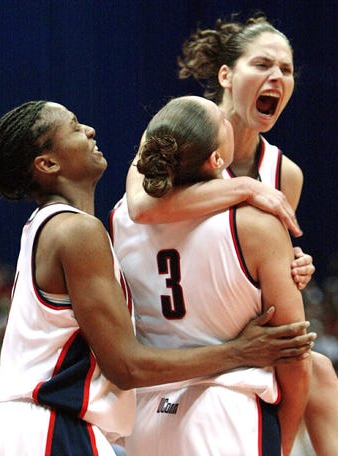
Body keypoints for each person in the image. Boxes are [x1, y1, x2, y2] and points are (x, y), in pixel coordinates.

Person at [0, 100, 316, 456]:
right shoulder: (78, 232)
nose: (89, 130)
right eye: (74, 127)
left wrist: (289, 259)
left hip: (39, 426)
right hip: (47, 426)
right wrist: (239, 351)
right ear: (48, 163)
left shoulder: (80, 225)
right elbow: (126, 366)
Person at [124, 14, 338, 455]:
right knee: (307, 367)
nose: (277, 76)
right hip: (179, 349)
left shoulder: (285, 174)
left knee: (320, 369)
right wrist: (247, 188)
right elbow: (142, 206)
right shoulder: (180, 129)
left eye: (287, 70)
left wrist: (295, 266)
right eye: (262, 64)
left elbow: (265, 276)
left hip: (221, 334)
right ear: (225, 75)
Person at [110, 95, 312, 455]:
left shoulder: (119, 217)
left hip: (144, 421)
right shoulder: (256, 224)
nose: (226, 114)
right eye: (221, 117)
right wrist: (284, 442)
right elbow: (293, 352)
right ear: (217, 159)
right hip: (226, 410)